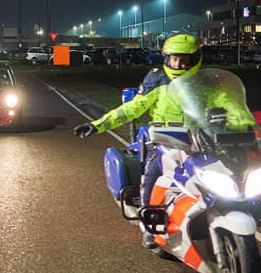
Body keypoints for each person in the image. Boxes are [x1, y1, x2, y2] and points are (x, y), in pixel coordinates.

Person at [73, 34, 203, 247]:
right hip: (165, 142)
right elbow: (133, 108)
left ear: (195, 59)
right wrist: (97, 125)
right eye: (174, 59)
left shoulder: (204, 83)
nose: (178, 64)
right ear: (166, 59)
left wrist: (245, 124)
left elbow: (229, 107)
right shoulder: (158, 79)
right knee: (153, 173)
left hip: (199, 143)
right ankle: (148, 224)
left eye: (184, 59)